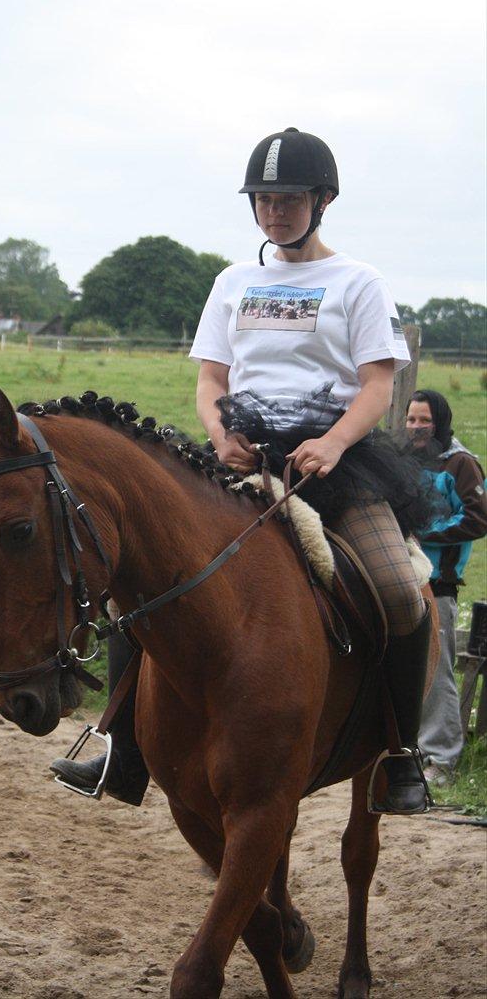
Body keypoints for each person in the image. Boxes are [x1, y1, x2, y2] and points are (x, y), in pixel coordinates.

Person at [52, 127, 433, 815]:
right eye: (263, 200)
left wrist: (334, 443)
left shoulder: (358, 282)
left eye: (288, 200)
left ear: (322, 201)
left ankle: (402, 754)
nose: (274, 212)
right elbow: (212, 379)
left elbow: (378, 384)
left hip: (333, 465)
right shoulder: (233, 283)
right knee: (141, 579)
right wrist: (219, 433)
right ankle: (124, 750)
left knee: (402, 594)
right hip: (240, 459)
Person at [405, 389, 487, 785]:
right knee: (406, 668)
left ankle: (441, 759)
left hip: (438, 584)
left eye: (425, 420)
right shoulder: (403, 461)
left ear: (440, 422)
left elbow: (478, 518)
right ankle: (410, 752)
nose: (417, 427)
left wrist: (424, 534)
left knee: (437, 673)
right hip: (402, 580)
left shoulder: (461, 463)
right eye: (411, 419)